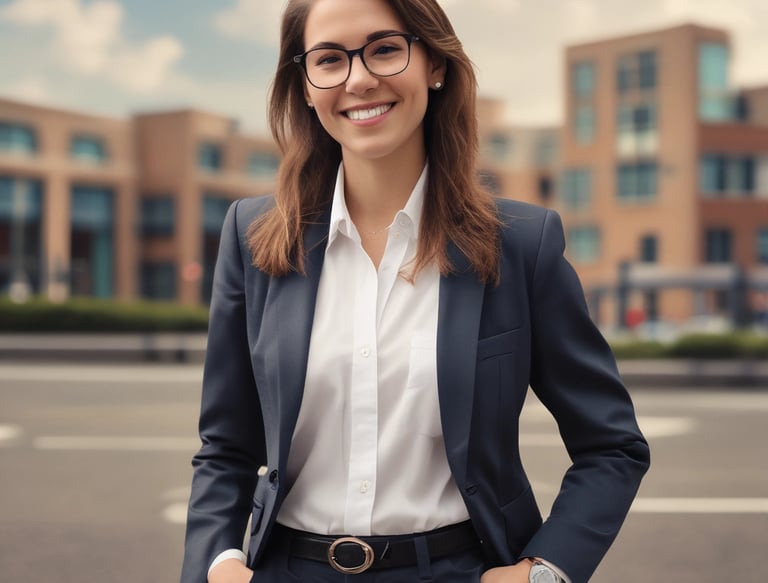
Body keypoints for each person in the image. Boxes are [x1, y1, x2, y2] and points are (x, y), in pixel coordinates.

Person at [180, 0, 650, 581]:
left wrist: (544, 570)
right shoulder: (252, 238)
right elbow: (226, 445)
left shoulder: (523, 245)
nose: (358, 79)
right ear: (304, 86)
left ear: (435, 64)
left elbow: (612, 446)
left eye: (383, 49)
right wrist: (218, 564)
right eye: (328, 59)